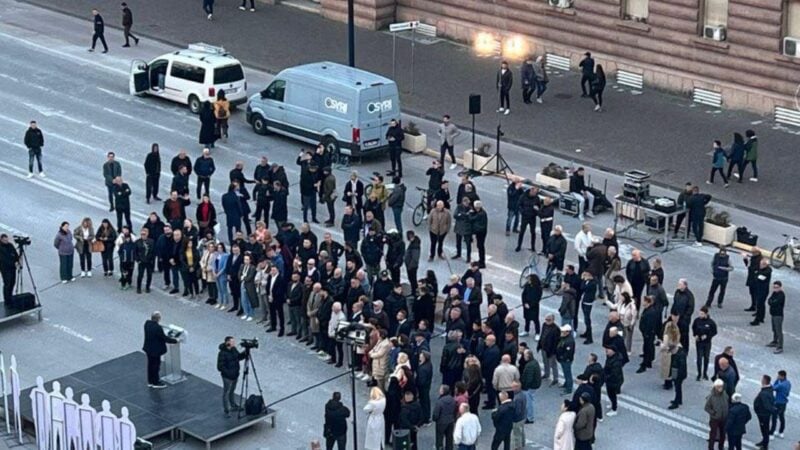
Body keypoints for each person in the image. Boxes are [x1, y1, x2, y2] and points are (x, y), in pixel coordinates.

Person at [142, 311, 177, 389]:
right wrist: (175, 341)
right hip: (155, 351)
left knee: (150, 365)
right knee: (156, 366)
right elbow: (164, 338)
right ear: (158, 319)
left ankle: (150, 381)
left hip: (148, 348)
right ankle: (156, 382)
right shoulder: (158, 328)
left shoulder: (147, 324)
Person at [216, 336, 246, 416]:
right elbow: (220, 367)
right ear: (227, 342)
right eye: (232, 342)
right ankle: (226, 409)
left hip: (235, 375)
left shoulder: (234, 349)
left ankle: (233, 405)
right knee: (226, 392)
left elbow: (238, 357)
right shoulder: (222, 353)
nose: (234, 343)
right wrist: (228, 373)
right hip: (227, 377)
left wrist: (245, 353)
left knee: (232, 391)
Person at [692, 306, 717, 381]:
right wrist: (695, 335)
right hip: (699, 342)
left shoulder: (711, 322)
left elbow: (714, 331)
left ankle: (705, 373)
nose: (700, 315)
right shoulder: (697, 320)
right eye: (700, 313)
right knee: (699, 358)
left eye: (702, 314)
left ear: (706, 314)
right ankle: (699, 374)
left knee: (706, 358)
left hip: (707, 343)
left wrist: (707, 336)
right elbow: (693, 328)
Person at [636, 295, 659, 373]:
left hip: (648, 334)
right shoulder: (647, 310)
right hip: (646, 333)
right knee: (648, 347)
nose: (643, 303)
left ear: (648, 303)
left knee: (647, 347)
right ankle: (648, 362)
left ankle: (645, 363)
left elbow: (649, 324)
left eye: (645, 301)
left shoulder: (651, 312)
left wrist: (646, 333)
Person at [705, 379, 730, 450]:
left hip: (724, 418)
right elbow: (706, 407)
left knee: (723, 434)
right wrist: (713, 413)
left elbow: (727, 402)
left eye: (721, 386)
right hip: (715, 419)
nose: (720, 388)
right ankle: (711, 448)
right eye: (718, 387)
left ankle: (721, 447)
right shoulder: (711, 397)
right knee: (713, 434)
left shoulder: (724, 394)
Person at [754, 374, 777, 449]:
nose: (761, 380)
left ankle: (765, 445)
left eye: (762, 379)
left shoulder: (764, 393)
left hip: (763, 415)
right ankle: (764, 441)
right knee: (764, 429)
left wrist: (772, 410)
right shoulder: (769, 388)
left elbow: (767, 405)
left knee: (764, 430)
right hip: (763, 414)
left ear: (764, 381)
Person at [515, 187, 540, 253]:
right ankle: (519, 246)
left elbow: (539, 206)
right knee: (522, 232)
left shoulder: (537, 198)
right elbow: (519, 205)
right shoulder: (523, 196)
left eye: (535, 193)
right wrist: (522, 212)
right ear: (531, 191)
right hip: (525, 217)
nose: (534, 194)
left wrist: (536, 212)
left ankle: (533, 247)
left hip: (532, 217)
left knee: (533, 232)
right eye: (534, 193)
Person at [432, 385, 456, 450]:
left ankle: (440, 448)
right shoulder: (452, 399)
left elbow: (436, 413)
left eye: (440, 389)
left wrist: (434, 419)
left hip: (441, 422)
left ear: (443, 391)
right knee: (449, 438)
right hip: (450, 421)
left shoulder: (440, 402)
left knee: (439, 438)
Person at [750, 258, 772, 326]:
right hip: (759, 289)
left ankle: (757, 320)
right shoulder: (762, 270)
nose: (760, 265)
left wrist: (757, 274)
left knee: (760, 304)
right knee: (761, 304)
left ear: (766, 265)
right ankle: (761, 317)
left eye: (762, 264)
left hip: (763, 290)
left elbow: (759, 277)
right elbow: (756, 274)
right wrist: (757, 274)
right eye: (760, 264)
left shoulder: (767, 271)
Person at [603, 346, 624, 417]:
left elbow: (614, 373)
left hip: (614, 381)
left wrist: (605, 377)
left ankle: (614, 409)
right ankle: (612, 404)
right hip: (610, 380)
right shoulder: (610, 357)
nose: (606, 351)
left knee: (612, 395)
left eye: (608, 350)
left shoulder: (616, 362)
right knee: (610, 394)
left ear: (613, 351)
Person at [521, 274, 542, 338]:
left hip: (534, 307)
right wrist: (524, 303)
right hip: (526, 305)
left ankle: (537, 333)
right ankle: (526, 330)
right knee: (527, 319)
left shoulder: (538, 288)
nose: (528, 280)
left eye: (529, 279)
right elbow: (523, 295)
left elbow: (537, 298)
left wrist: (530, 305)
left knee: (535, 320)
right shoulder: (527, 285)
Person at [771, 370, 791, 439]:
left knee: (774, 418)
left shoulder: (780, 385)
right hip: (784, 403)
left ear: (782, 376)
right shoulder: (788, 383)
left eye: (779, 376)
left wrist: (776, 380)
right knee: (782, 417)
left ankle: (772, 433)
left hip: (778, 403)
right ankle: (781, 432)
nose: (778, 376)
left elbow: (773, 388)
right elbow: (787, 393)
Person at [556, 324, 575, 395]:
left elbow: (568, 353)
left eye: (563, 331)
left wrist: (562, 358)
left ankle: (569, 388)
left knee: (567, 374)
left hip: (566, 360)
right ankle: (566, 383)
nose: (562, 332)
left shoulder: (569, 341)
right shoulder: (564, 338)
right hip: (563, 359)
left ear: (567, 332)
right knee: (565, 372)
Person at [0, 235, 19, 303]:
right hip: (5, 269)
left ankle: (10, 296)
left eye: (7, 240)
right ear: (1, 240)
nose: (6, 241)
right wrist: (12, 259)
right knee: (7, 284)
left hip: (12, 268)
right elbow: (3, 259)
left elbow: (15, 255)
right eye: (5, 240)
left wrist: (16, 260)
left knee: (12, 282)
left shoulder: (10, 245)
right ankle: (7, 300)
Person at [767, 281, 785, 354]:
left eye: (777, 287)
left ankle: (780, 346)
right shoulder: (774, 293)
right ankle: (775, 341)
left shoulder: (781, 295)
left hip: (778, 315)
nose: (775, 289)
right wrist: (771, 302)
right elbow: (769, 300)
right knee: (774, 329)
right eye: (774, 287)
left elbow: (775, 303)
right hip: (773, 314)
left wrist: (772, 302)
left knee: (778, 330)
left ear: (780, 287)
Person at [668, 343, 687, 409]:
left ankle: (676, 403)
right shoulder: (675, 354)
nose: (671, 353)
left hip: (679, 374)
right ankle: (679, 400)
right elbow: (672, 364)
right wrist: (671, 374)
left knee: (677, 388)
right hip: (675, 372)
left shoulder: (681, 355)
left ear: (674, 349)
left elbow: (682, 367)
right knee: (677, 387)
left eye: (671, 351)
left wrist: (676, 377)